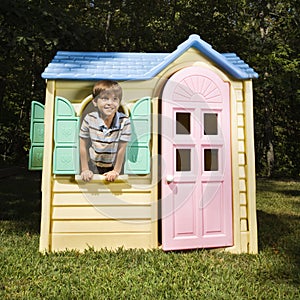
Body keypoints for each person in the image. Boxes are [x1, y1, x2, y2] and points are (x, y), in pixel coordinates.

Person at [79, 80, 131, 182]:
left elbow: (122, 149)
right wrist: (85, 169)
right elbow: (83, 145)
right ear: (95, 102)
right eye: (105, 98)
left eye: (115, 99)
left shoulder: (124, 121)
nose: (110, 103)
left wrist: (116, 171)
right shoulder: (89, 119)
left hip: (113, 165)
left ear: (119, 102)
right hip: (93, 165)